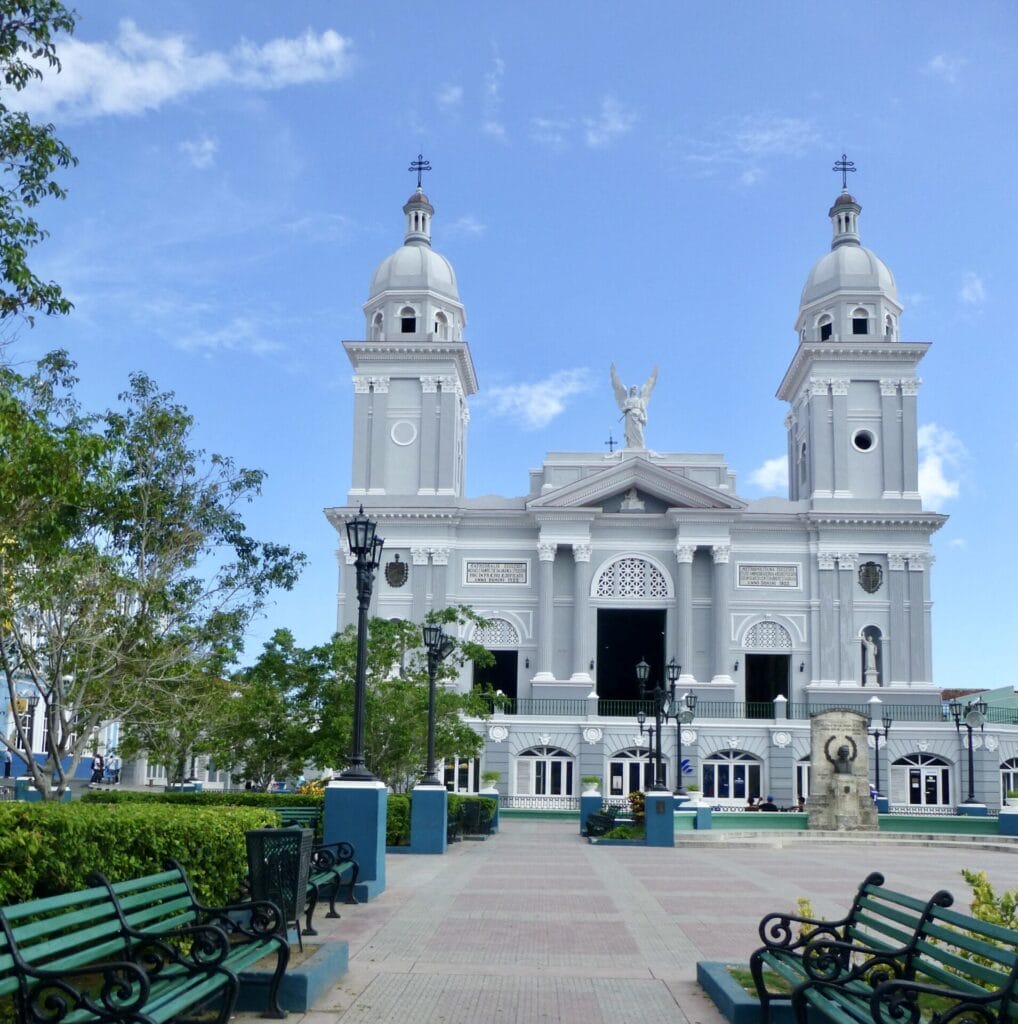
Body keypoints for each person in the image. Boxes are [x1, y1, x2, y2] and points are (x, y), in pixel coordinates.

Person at [610, 363, 658, 449]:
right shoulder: (627, 400)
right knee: (630, 434)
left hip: (638, 418)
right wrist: (627, 408)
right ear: (631, 391)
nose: (634, 391)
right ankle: (630, 446)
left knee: (639, 433)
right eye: (633, 390)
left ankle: (640, 447)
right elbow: (623, 409)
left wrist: (645, 418)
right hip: (629, 418)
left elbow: (644, 410)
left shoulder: (640, 401)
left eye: (635, 390)